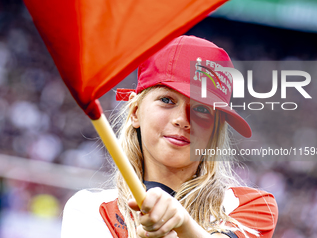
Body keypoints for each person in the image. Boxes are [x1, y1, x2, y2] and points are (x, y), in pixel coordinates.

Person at [61, 36, 278, 238]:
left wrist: (182, 224)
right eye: (167, 100)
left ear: (215, 131)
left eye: (202, 110)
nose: (183, 120)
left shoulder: (251, 206)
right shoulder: (88, 209)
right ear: (136, 112)